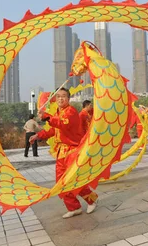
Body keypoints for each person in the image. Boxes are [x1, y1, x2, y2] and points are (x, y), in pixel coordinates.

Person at [29, 88, 99, 218]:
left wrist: (47, 117)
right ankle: (74, 207)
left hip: (72, 151)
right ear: (55, 99)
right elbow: (53, 130)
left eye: (64, 96)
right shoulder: (58, 112)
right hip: (61, 152)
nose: (61, 99)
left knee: (73, 179)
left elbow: (63, 124)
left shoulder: (71, 112)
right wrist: (38, 135)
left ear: (68, 99)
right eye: (58, 96)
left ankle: (92, 200)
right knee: (61, 181)